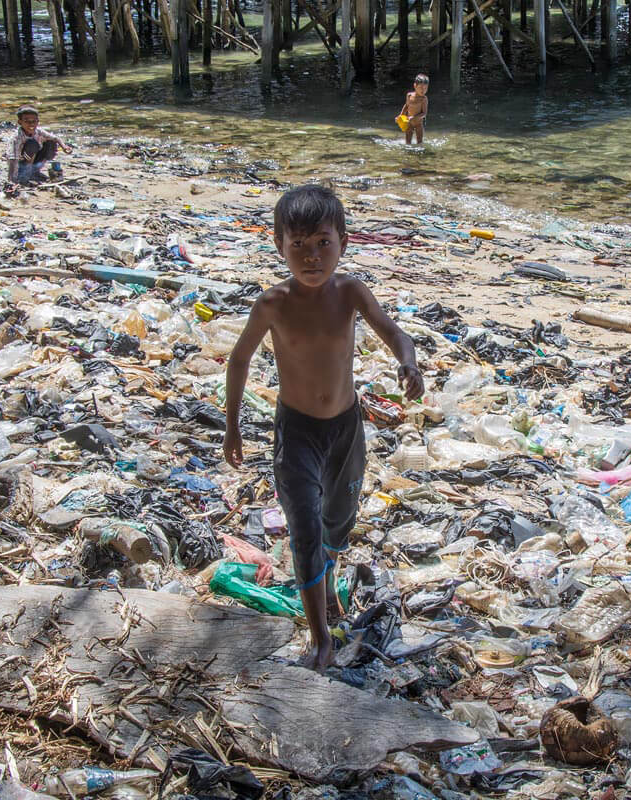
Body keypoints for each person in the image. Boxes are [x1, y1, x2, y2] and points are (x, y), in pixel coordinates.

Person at [223, 184, 424, 671]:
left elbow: (392, 330)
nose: (312, 257)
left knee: (339, 521)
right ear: (278, 245)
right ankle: (320, 642)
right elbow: (239, 361)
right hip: (297, 433)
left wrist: (409, 362)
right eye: (299, 245)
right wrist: (232, 426)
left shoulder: (350, 291)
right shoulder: (272, 303)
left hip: (346, 428)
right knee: (305, 530)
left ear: (344, 243)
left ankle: (326, 581)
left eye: (323, 243)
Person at [4, 106, 72, 186]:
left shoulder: (38, 131)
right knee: (32, 144)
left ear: (38, 121)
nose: (31, 124)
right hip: (21, 166)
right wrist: (12, 181)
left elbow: (55, 138)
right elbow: (13, 160)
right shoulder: (16, 138)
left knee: (50, 142)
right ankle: (27, 173)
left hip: (34, 160)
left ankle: (35, 170)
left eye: (34, 121)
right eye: (27, 121)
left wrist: (64, 147)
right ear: (20, 122)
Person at [398, 74, 429, 146]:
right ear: (415, 86)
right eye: (421, 87)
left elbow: (424, 113)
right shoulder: (409, 95)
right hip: (409, 123)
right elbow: (406, 106)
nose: (423, 90)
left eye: (425, 88)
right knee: (407, 143)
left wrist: (414, 117)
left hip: (418, 124)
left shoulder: (424, 99)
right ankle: (408, 154)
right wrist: (400, 115)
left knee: (419, 143)